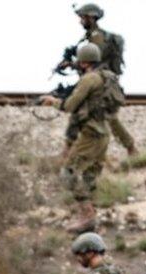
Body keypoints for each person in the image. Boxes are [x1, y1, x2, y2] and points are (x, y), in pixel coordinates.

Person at [40, 42, 125, 234]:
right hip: (104, 133)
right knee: (90, 175)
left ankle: (87, 215)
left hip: (91, 133)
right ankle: (90, 218)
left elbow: (70, 106)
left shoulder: (89, 80)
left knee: (68, 172)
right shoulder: (106, 77)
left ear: (84, 62)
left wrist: (52, 101)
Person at [64, 3, 138, 157]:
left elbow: (95, 59)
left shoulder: (96, 36)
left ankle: (67, 150)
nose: (80, 21)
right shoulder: (93, 35)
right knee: (108, 117)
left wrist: (74, 64)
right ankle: (130, 148)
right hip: (103, 80)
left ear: (91, 18)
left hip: (100, 82)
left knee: (84, 112)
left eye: (83, 18)